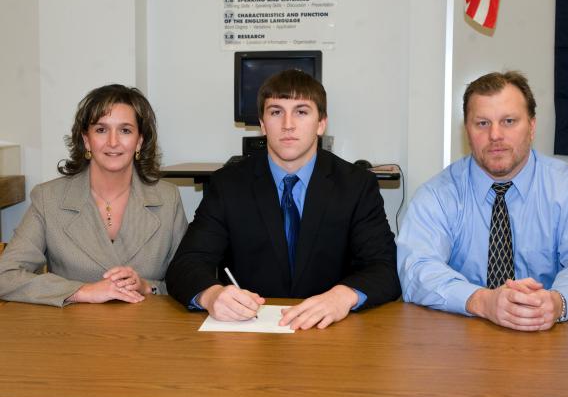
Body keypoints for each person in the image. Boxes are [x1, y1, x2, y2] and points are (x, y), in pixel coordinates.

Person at [166, 69, 400, 330]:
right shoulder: (228, 185)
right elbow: (185, 264)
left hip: (331, 333)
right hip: (248, 334)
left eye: (301, 111)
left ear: (321, 123)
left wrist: (343, 296)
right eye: (276, 112)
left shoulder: (356, 185)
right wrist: (211, 296)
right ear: (263, 124)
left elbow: (385, 268)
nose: (288, 124)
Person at [397, 71, 568, 331]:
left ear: (532, 127)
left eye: (509, 121)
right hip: (460, 341)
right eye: (482, 123)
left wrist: (556, 303)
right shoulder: (437, 195)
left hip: (549, 339)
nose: (495, 135)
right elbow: (416, 269)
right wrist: (483, 301)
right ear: (467, 130)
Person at [0, 84, 188, 306]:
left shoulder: (168, 198)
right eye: (101, 130)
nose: (113, 142)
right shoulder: (48, 198)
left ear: (139, 141)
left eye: (125, 130)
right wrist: (81, 291)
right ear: (86, 140)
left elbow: (189, 279)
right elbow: (6, 276)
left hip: (145, 332)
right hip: (71, 334)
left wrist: (148, 287)